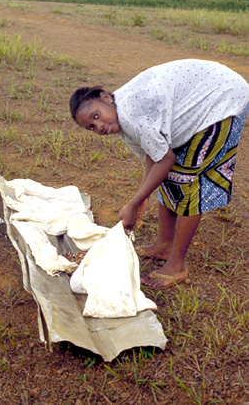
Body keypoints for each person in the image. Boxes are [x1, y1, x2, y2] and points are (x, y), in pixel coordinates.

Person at [69, 59, 249, 289]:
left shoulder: (131, 113)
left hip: (222, 98)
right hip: (206, 98)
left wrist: (133, 203)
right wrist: (142, 197)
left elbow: (165, 159)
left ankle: (177, 266)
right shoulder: (121, 120)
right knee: (167, 177)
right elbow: (154, 157)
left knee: (185, 180)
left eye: (96, 116)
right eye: (91, 127)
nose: (99, 126)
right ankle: (164, 245)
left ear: (106, 98)